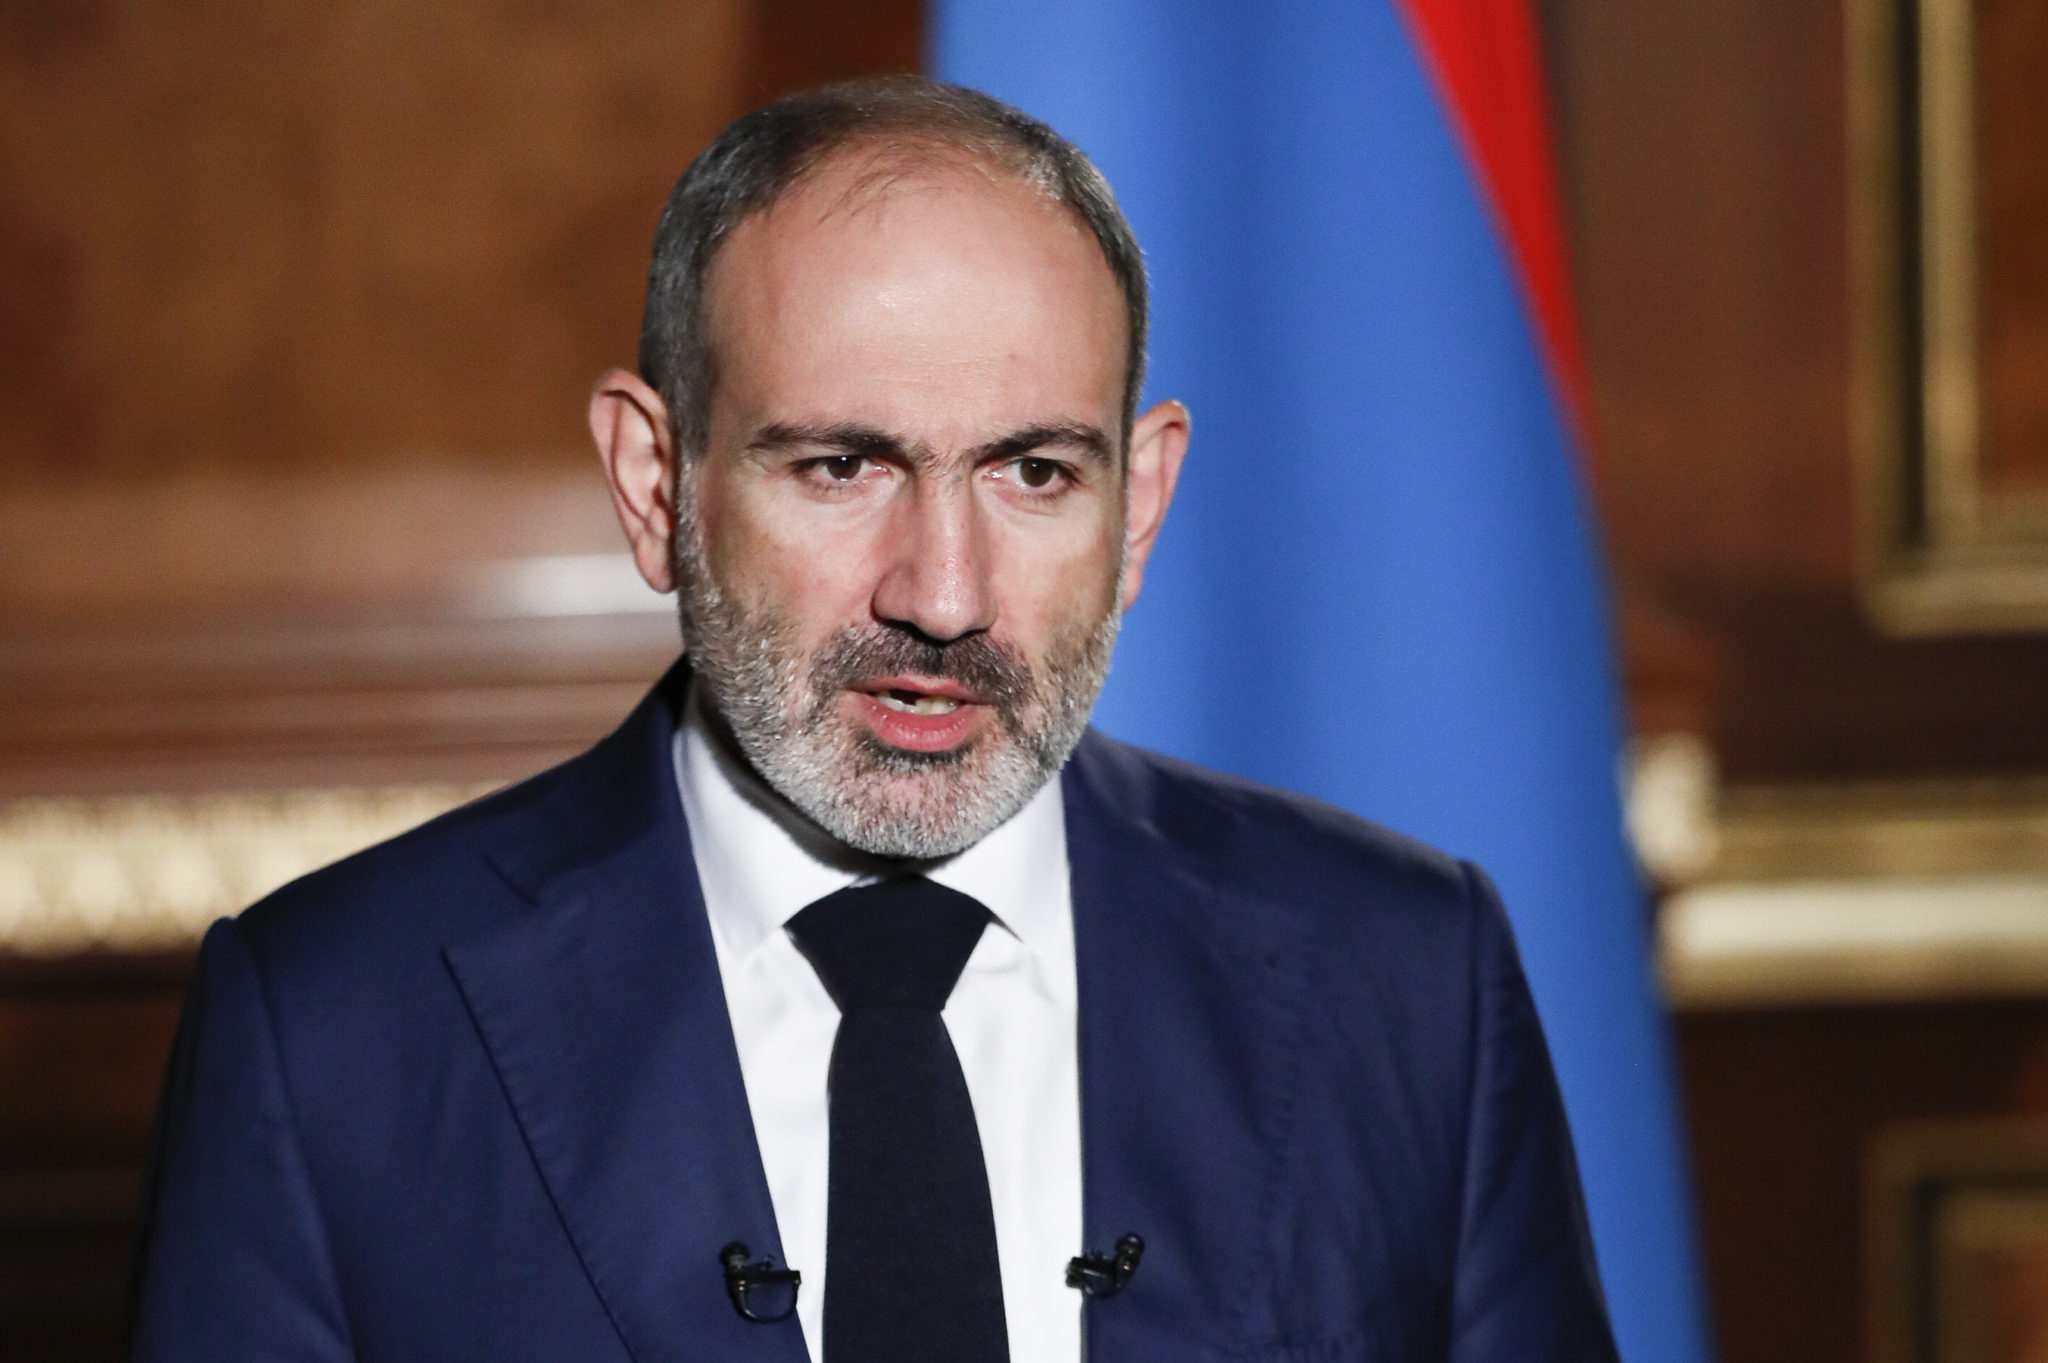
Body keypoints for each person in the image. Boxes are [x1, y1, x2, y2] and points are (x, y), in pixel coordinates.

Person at [128, 78, 1617, 1363]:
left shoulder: (1406, 981)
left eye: (1035, 473)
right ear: (655, 486)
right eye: (843, 467)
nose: (944, 599)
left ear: (1141, 504)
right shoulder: (332, 1035)